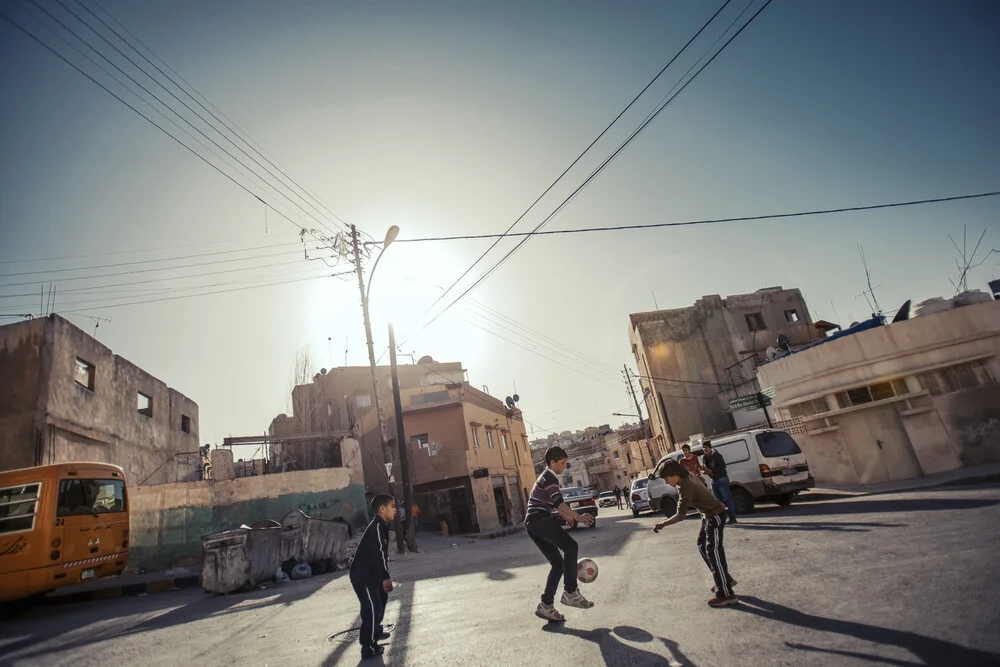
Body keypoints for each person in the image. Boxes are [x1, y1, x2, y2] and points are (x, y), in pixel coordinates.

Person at [652, 460, 738, 607]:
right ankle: (724, 579)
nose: (667, 483)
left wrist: (662, 524)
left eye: (666, 479)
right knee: (702, 545)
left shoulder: (685, 487)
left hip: (715, 515)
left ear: (674, 475)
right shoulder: (689, 476)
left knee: (713, 551)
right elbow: (703, 481)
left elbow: (680, 515)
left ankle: (726, 593)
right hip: (708, 515)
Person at [525, 446, 596, 622]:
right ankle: (570, 591)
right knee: (571, 546)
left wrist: (567, 517)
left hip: (533, 523)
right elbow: (559, 504)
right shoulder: (550, 478)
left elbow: (553, 505)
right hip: (539, 519)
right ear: (552, 462)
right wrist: (578, 517)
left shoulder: (546, 477)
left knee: (558, 564)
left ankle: (546, 605)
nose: (564, 467)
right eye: (562, 463)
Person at [350, 494, 396, 659]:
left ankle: (374, 632)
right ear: (382, 509)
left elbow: (382, 555)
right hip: (363, 577)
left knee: (380, 603)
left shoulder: (383, 525)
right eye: (392, 506)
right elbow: (378, 554)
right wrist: (386, 577)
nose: (395, 509)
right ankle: (368, 647)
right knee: (372, 609)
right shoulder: (376, 527)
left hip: (373, 575)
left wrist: (383, 577)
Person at [702, 442, 737, 525]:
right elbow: (705, 466)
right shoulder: (704, 457)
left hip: (721, 479)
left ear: (710, 447)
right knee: (717, 500)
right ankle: (722, 518)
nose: (704, 449)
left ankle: (732, 517)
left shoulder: (717, 455)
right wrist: (706, 471)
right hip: (713, 480)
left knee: (727, 498)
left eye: (706, 447)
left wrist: (712, 470)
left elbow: (722, 466)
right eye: (703, 448)